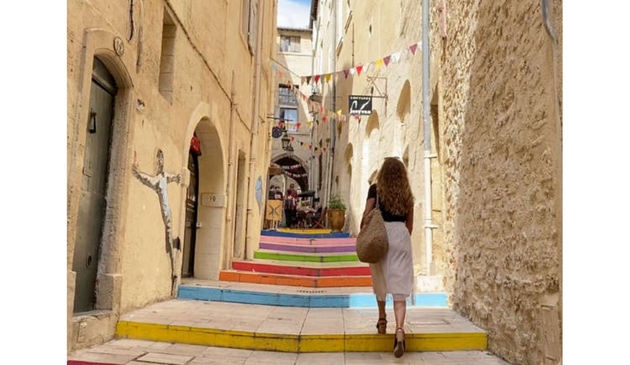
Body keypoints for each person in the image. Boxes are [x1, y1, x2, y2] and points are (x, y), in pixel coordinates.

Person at [360, 157, 414, 358]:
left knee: (380, 278)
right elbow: (410, 226)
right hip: (401, 236)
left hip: (381, 235)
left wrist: (364, 229)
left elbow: (366, 214)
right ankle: (399, 330)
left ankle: (382, 319)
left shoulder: (375, 190)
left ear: (382, 172)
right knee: (399, 287)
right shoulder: (407, 194)